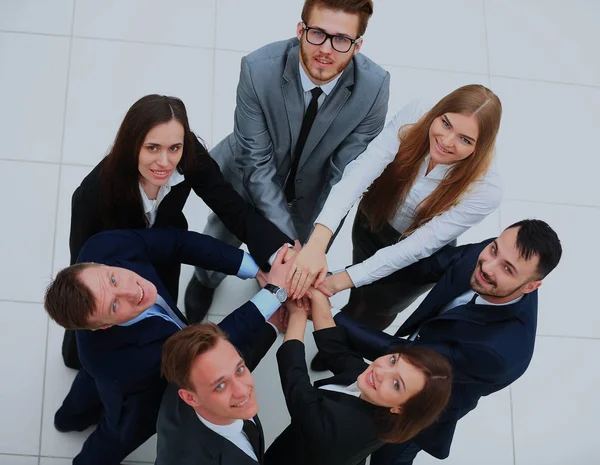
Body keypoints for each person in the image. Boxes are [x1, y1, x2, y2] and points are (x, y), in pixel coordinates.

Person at [186, 0, 391, 320]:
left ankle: (272, 279)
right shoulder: (257, 68)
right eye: (317, 34)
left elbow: (345, 174)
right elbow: (256, 163)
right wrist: (285, 241)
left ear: (357, 45)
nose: (326, 49)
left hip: (313, 192)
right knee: (220, 236)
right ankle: (206, 279)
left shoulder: (375, 87)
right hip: (245, 175)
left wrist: (306, 247)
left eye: (341, 40)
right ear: (300, 30)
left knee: (289, 253)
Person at [63, 94, 293, 369]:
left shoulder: (188, 154)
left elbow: (232, 207)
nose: (165, 162)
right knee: (94, 333)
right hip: (117, 272)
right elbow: (80, 266)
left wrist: (283, 253)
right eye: (152, 148)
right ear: (132, 145)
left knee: (164, 313)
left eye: (174, 148)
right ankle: (74, 355)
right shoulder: (92, 194)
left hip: (167, 254)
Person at [44, 228, 292, 465]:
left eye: (113, 278)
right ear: (103, 327)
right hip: (135, 392)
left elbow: (178, 242)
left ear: (98, 263)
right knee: (117, 434)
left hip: (101, 360)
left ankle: (69, 416)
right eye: (114, 306)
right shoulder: (122, 361)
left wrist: (255, 269)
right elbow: (204, 351)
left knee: (89, 382)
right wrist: (273, 294)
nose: (132, 291)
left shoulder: (104, 246)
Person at [334, 219, 562, 464]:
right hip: (407, 363)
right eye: (494, 249)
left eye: (508, 269)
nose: (487, 266)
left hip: (425, 405)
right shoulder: (488, 254)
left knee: (389, 455)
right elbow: (421, 268)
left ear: (531, 286)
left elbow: (410, 355)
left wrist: (327, 313)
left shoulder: (498, 352)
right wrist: (340, 279)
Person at [292, 85, 504, 332]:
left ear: (480, 147)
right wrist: (317, 243)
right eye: (446, 124)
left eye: (465, 139)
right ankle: (347, 316)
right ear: (438, 113)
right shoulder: (418, 113)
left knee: (381, 308)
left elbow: (418, 246)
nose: (446, 142)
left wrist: (337, 282)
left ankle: (349, 343)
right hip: (374, 221)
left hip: (418, 259)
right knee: (358, 293)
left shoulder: (486, 189)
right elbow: (360, 173)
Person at [264, 289, 452, 465]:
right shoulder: (379, 401)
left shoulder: (336, 431)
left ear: (400, 408)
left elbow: (296, 381)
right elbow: (338, 353)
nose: (379, 371)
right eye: (393, 360)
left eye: (396, 384)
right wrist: (317, 298)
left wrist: (297, 316)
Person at [156, 322, 282, 465]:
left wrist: (274, 325)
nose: (242, 391)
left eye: (239, 370)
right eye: (220, 386)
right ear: (190, 398)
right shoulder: (185, 459)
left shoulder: (190, 376)